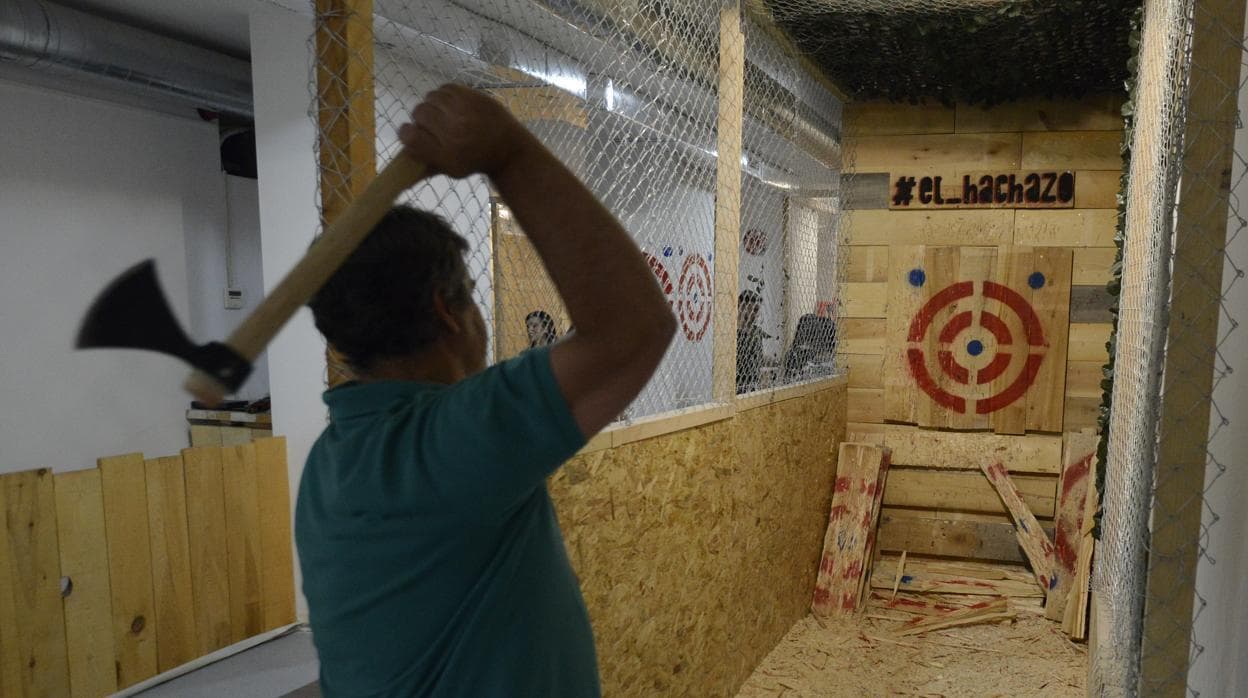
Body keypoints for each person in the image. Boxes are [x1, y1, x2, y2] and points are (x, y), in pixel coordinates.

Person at [298, 84, 676, 697]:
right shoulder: (444, 443)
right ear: (449, 312)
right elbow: (635, 329)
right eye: (471, 296)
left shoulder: (331, 462)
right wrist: (510, 154)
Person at [736, 290, 770, 393]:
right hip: (737, 387)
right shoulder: (731, 334)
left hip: (753, 387)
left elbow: (758, 357)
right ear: (742, 307)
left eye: (758, 310)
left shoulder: (756, 332)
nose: (757, 315)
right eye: (754, 310)